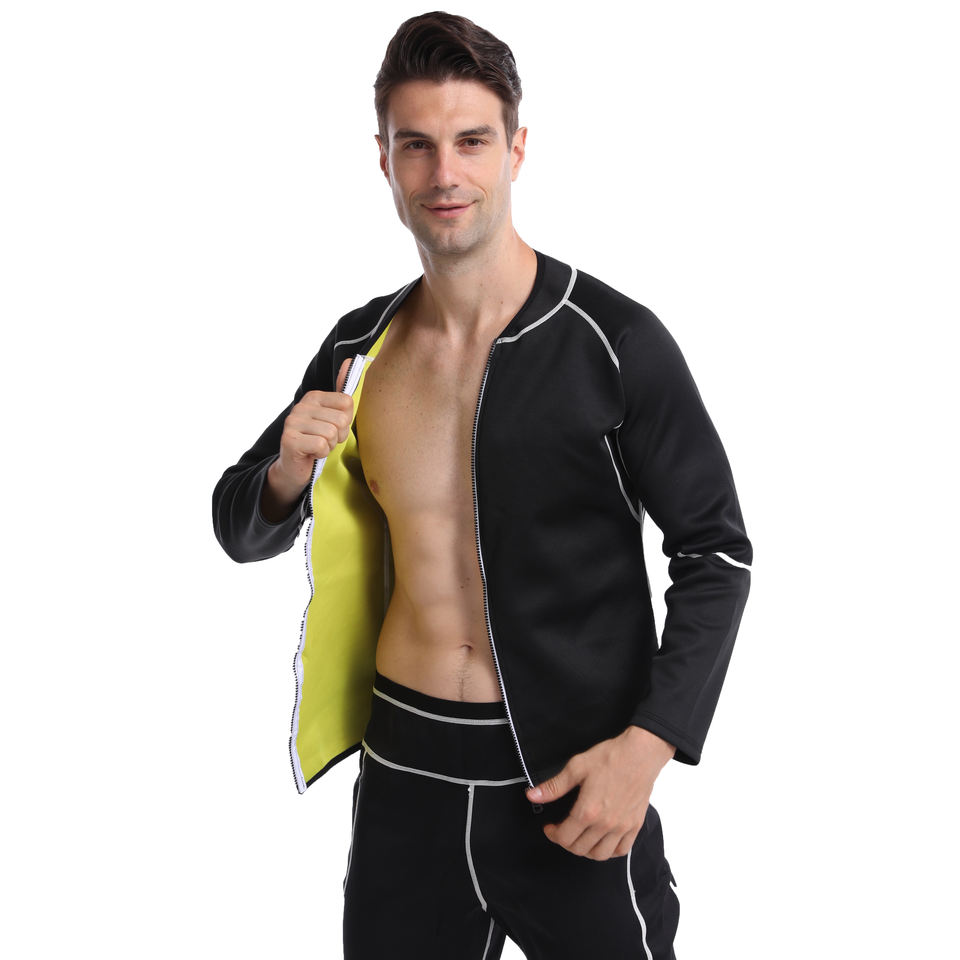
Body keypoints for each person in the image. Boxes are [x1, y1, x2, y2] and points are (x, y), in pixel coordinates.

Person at [212, 11, 751, 959]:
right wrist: (286, 472)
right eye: (415, 146)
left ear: (517, 150)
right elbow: (239, 526)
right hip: (404, 773)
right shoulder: (359, 347)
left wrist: (648, 747)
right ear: (383, 161)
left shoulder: (613, 341)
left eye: (471, 142)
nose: (444, 174)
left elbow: (716, 553)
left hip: (571, 778)